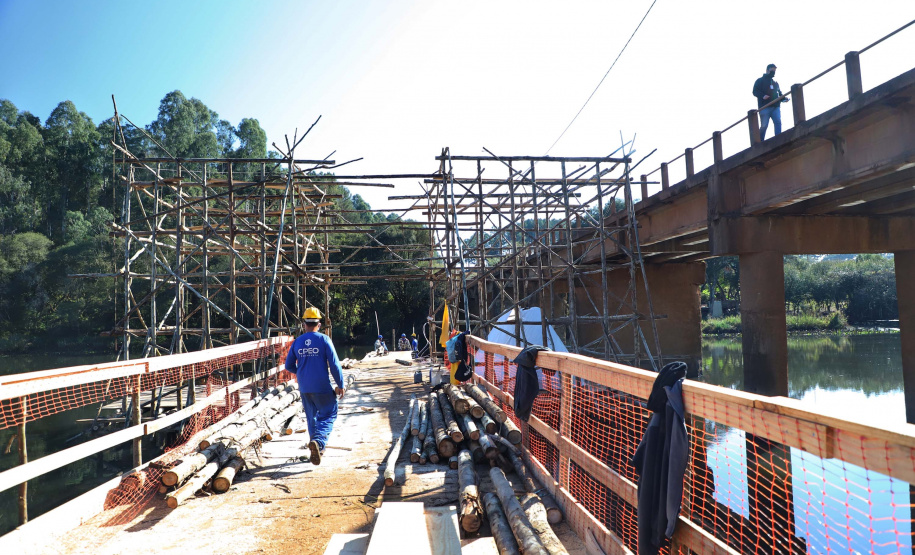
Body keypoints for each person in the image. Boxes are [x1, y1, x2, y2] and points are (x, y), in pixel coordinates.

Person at [284, 307, 344, 465]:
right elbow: (335, 365)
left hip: (304, 387)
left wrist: (302, 373)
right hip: (322, 386)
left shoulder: (297, 342)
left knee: (312, 418)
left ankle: (315, 447)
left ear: (304, 324)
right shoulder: (324, 340)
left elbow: (288, 365)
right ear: (319, 324)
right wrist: (340, 384)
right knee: (329, 414)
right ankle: (319, 443)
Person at [752, 63, 789, 140]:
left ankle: (778, 138)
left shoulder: (775, 83)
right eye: (772, 70)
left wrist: (783, 99)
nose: (773, 72)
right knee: (764, 126)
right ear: (767, 70)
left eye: (774, 70)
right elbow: (755, 91)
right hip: (764, 107)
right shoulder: (759, 81)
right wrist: (762, 96)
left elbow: (779, 93)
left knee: (778, 122)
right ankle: (760, 141)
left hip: (776, 107)